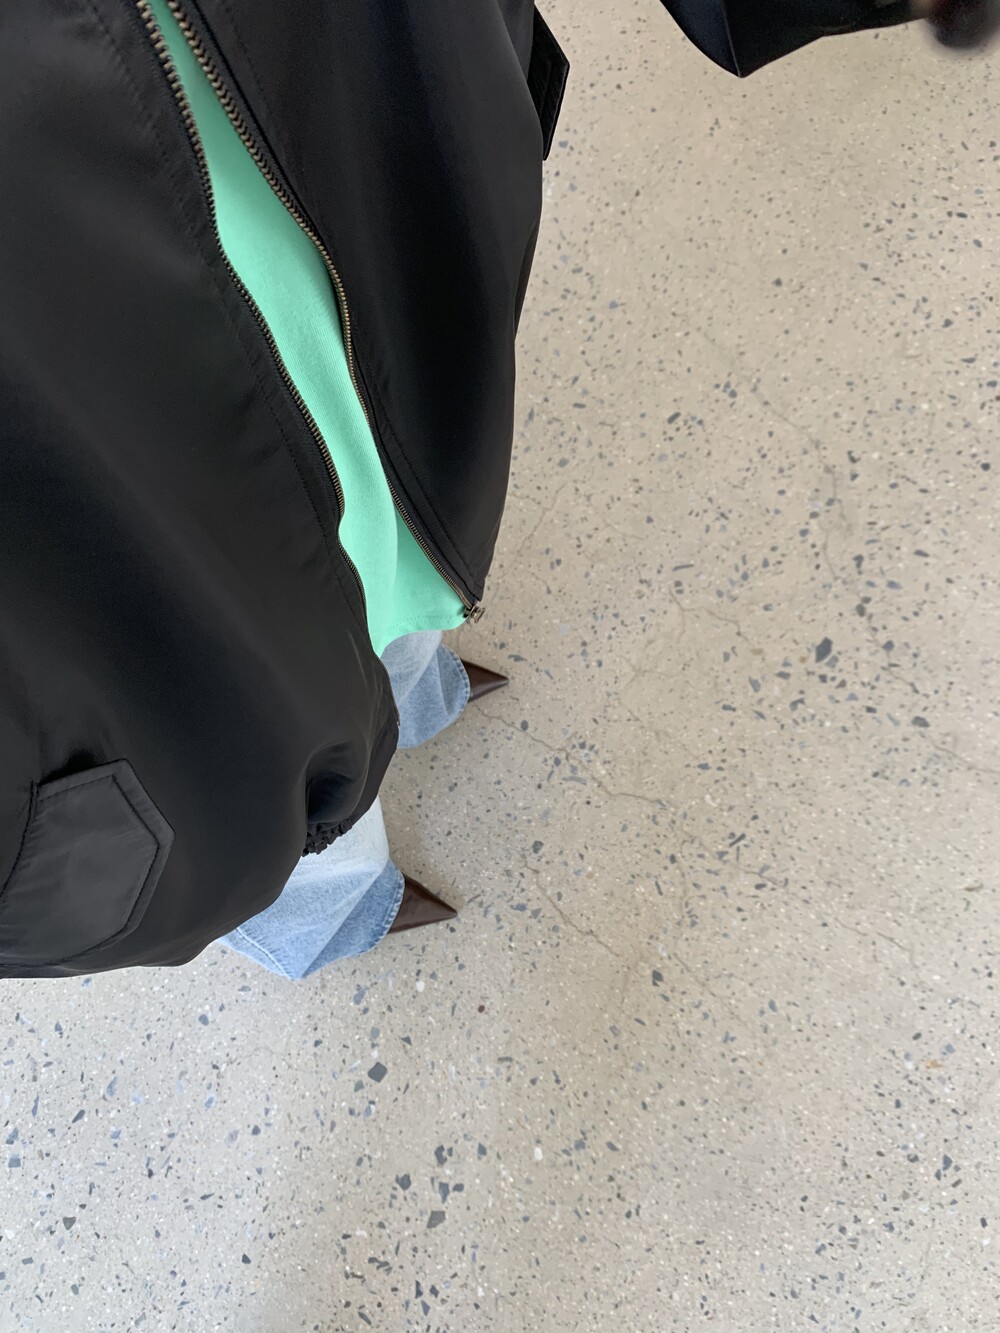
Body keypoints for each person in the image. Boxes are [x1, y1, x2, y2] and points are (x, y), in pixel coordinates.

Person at [0, 1, 994, 980]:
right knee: (224, 740)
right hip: (76, 427)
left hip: (342, 131)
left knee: (399, 484)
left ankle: (410, 684)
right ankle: (334, 911)